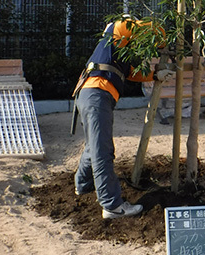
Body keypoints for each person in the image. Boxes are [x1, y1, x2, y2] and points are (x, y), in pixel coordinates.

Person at [72, 17, 171, 219]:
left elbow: (131, 73)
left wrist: (153, 76)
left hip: (90, 94)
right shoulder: (118, 29)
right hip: (96, 93)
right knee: (103, 150)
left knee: (94, 145)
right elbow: (149, 27)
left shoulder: (117, 52)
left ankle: (82, 185)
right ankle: (112, 206)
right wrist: (164, 43)